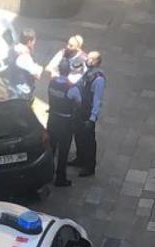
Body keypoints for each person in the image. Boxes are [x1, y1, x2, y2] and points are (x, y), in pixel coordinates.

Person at [47, 59, 82, 188]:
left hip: (52, 119)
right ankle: (60, 178)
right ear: (68, 71)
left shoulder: (52, 83)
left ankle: (47, 174)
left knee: (51, 148)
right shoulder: (71, 88)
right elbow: (78, 102)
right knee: (63, 151)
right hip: (65, 122)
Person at [72, 51, 105, 177]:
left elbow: (97, 100)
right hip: (79, 109)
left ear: (97, 62)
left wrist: (92, 118)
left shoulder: (99, 79)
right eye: (88, 58)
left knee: (88, 140)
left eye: (92, 59)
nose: (89, 61)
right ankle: (80, 158)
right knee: (78, 135)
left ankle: (89, 166)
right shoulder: (87, 72)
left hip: (88, 111)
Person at [7, 28, 43, 99]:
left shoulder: (14, 48)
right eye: (34, 41)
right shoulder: (25, 57)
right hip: (23, 90)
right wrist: (40, 69)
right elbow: (36, 75)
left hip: (13, 85)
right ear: (29, 42)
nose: (34, 43)